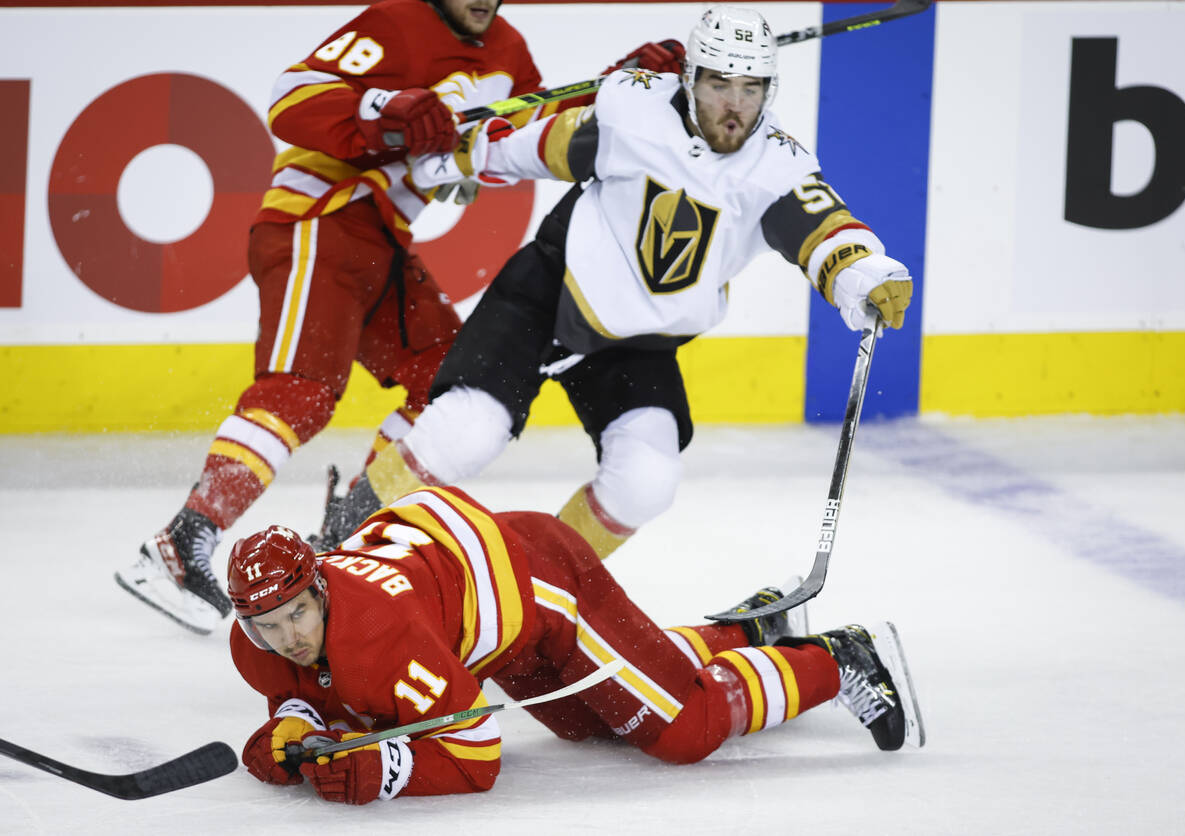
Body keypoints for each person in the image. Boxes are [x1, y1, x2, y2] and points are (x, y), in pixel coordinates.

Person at [114, 0, 688, 635]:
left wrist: (625, 87)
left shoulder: (509, 51)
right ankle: (182, 541)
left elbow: (526, 128)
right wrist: (380, 111)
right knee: (300, 391)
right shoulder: (397, 23)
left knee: (445, 380)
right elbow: (292, 97)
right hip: (319, 219)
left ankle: (346, 527)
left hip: (384, 242)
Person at [309, 5, 914, 562]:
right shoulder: (633, 111)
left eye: (750, 88)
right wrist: (452, 157)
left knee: (646, 482)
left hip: (637, 340)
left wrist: (866, 275)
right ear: (689, 78)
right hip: (548, 292)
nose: (735, 105)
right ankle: (341, 542)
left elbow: (827, 228)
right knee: (467, 432)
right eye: (719, 84)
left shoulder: (776, 166)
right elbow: (537, 145)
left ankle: (532, 595)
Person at [228, 487, 924, 803]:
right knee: (586, 726)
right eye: (268, 625)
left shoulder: (383, 632)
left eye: (298, 613)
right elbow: (311, 691)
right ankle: (749, 628)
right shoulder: (267, 635)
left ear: (321, 589)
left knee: (680, 730)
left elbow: (473, 753)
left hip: (544, 585)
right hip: (496, 609)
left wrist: (384, 774)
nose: (287, 638)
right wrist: (290, 729)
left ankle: (839, 658)